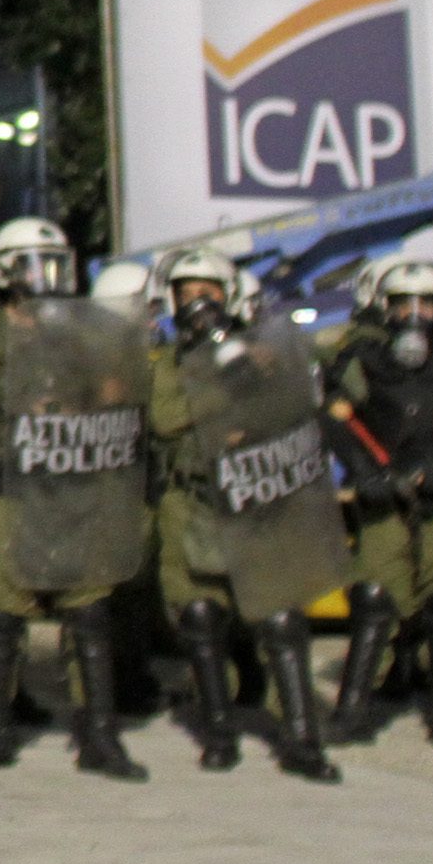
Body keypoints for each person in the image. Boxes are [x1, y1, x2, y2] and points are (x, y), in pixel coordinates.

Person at [0, 216, 146, 782]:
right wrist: (10, 431)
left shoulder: (79, 328)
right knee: (4, 616)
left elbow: (115, 388)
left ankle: (100, 738)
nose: (48, 277)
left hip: (72, 479)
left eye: (56, 263)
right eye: (35, 264)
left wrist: (86, 412)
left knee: (88, 610)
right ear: (4, 271)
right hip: (7, 484)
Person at [150, 248, 341, 782]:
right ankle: (219, 733)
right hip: (195, 503)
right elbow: (166, 418)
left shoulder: (262, 351)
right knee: (201, 619)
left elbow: (291, 406)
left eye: (205, 294)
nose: (195, 305)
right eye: (184, 295)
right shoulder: (169, 363)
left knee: (281, 620)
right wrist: (220, 388)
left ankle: (303, 740)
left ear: (229, 297)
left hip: (256, 501)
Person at [321, 261, 433, 751]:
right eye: (403, 304)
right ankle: (351, 711)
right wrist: (364, 470)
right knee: (375, 599)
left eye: (426, 304)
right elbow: (335, 418)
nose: (415, 315)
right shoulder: (365, 361)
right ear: (386, 308)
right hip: (386, 497)